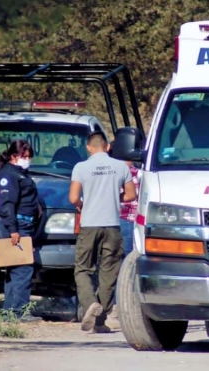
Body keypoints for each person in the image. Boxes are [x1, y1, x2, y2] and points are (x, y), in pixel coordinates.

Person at [69, 130, 136, 333]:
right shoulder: (120, 166)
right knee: (109, 272)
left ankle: (90, 304)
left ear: (88, 148)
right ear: (107, 147)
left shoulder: (81, 167)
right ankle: (100, 321)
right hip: (112, 226)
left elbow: (73, 198)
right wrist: (114, 199)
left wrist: (83, 204)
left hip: (89, 224)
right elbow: (131, 195)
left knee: (83, 269)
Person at [0, 139, 43, 323]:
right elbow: (7, 204)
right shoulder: (9, 175)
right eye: (24, 156)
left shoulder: (21, 173)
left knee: (15, 269)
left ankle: (9, 311)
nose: (28, 159)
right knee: (23, 269)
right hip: (17, 227)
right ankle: (19, 311)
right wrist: (13, 230)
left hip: (24, 225)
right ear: (14, 156)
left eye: (29, 156)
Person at [105, 160, 139, 329]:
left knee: (114, 266)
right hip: (132, 222)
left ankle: (113, 311)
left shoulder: (113, 171)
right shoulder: (139, 173)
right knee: (128, 267)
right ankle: (120, 310)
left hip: (116, 220)